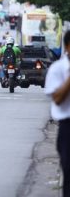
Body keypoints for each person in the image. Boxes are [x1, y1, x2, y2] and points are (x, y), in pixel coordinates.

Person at [45, 30, 70, 197]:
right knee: (68, 170)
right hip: (67, 127)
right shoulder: (57, 69)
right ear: (68, 47)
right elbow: (58, 98)